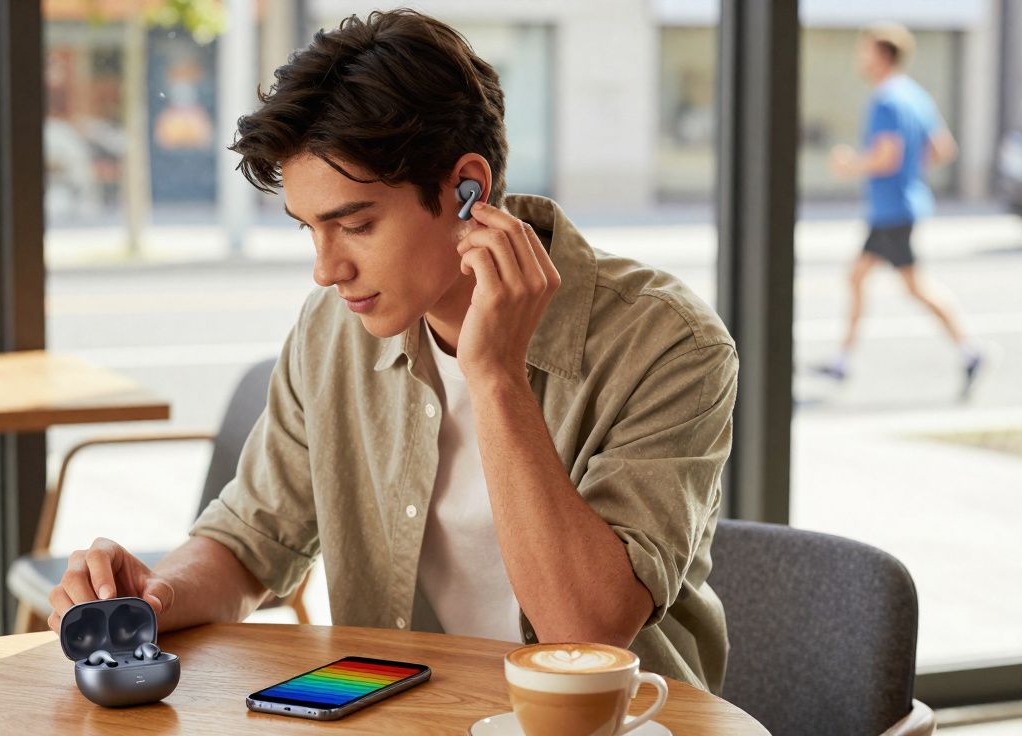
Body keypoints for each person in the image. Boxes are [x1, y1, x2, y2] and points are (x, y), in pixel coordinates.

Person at [48, 9, 737, 693]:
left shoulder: (670, 344)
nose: (326, 270)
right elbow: (248, 543)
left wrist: (495, 376)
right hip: (407, 715)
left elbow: (586, 631)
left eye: (355, 225)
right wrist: (152, 598)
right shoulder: (331, 331)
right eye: (308, 229)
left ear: (468, 190)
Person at [817, 22, 983, 399]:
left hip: (892, 209)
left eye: (865, 51)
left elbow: (886, 157)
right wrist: (911, 171)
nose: (860, 58)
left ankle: (970, 349)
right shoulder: (917, 96)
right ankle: (843, 358)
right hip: (901, 205)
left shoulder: (886, 100)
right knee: (860, 277)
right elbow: (943, 149)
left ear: (882, 56)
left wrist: (850, 164)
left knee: (912, 285)